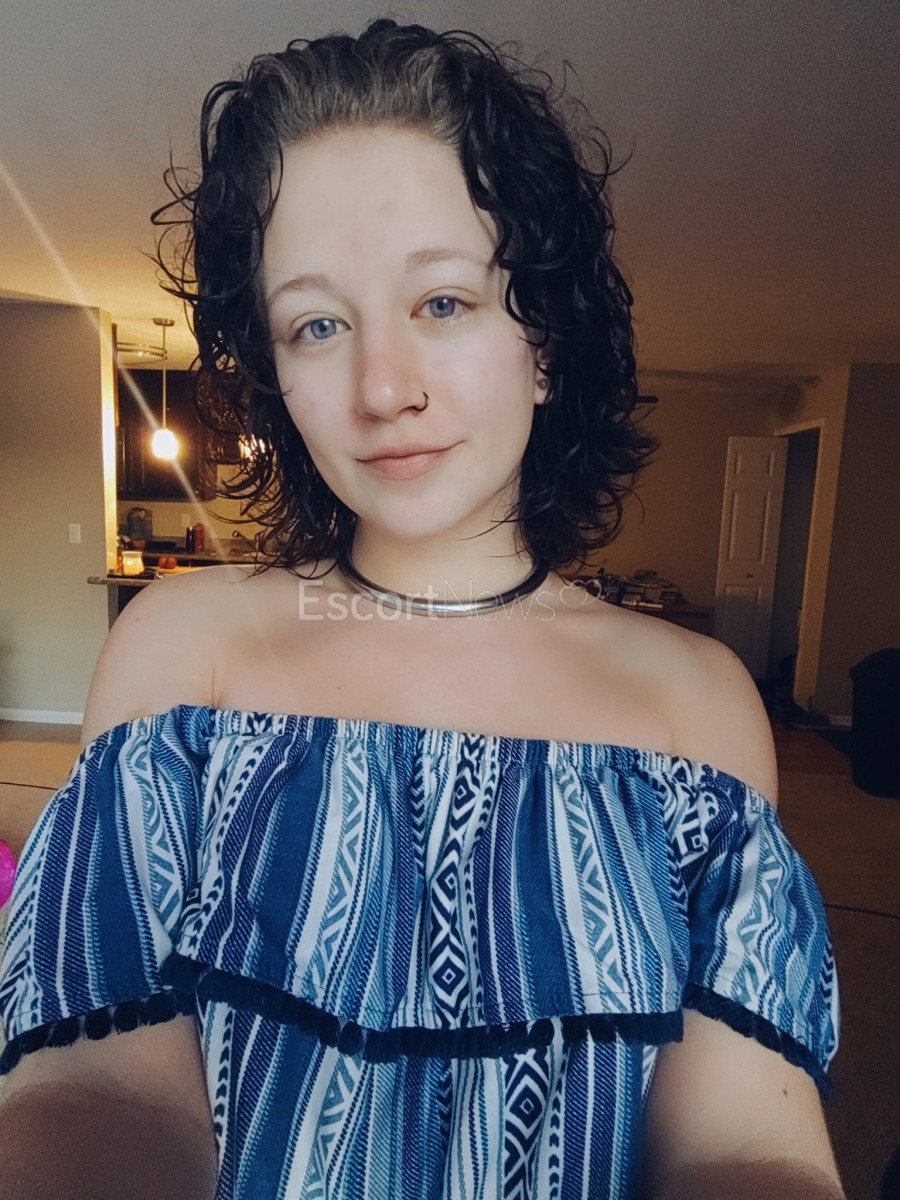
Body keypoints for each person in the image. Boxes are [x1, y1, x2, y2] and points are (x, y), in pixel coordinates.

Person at [0, 19, 844, 1200]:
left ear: (544, 342)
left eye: (443, 302)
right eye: (318, 324)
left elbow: (742, 1146)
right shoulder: (182, 653)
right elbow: (97, 1089)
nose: (383, 388)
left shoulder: (696, 704)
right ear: (276, 373)